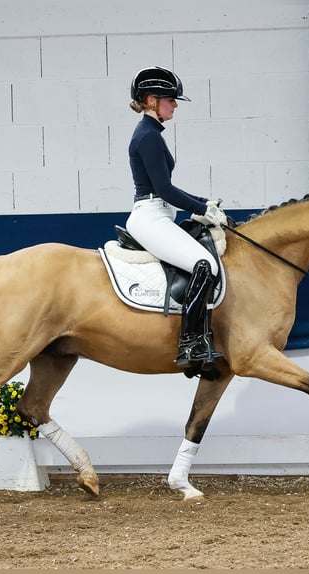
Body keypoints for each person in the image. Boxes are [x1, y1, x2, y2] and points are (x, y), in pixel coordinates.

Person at [125, 66, 226, 375]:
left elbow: (166, 189)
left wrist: (203, 203)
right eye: (171, 99)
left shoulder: (152, 133)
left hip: (159, 213)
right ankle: (191, 343)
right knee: (204, 265)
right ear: (151, 100)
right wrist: (201, 209)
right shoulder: (148, 136)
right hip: (150, 216)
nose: (175, 105)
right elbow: (164, 188)